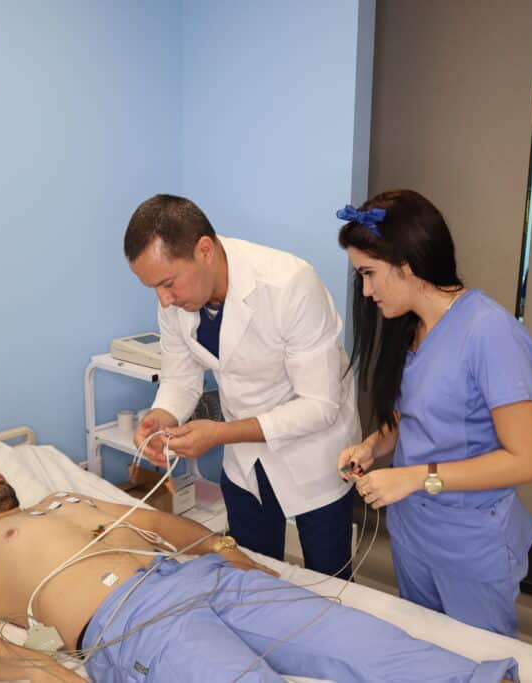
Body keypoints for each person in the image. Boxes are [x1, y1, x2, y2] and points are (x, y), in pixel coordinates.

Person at [0, 443, 521, 682]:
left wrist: (224, 549)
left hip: (205, 578)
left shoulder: (64, 499)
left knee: (362, 640)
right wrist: (41, 674)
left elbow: (154, 523)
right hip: (131, 622)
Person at [335, 189, 532, 637]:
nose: (367, 292)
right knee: (429, 649)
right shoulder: (408, 327)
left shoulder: (488, 332)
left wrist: (413, 477)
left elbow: (526, 460)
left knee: (479, 661)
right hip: (414, 530)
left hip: (470, 540)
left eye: (370, 275)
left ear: (406, 265)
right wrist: (373, 446)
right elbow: (408, 417)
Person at [123, 194, 359, 578]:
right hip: (244, 459)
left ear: (204, 251)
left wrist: (219, 434)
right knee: (250, 571)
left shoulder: (290, 284)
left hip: (313, 451)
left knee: (330, 580)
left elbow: (319, 405)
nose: (163, 301)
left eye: (167, 284)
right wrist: (161, 416)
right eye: (154, 288)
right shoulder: (175, 301)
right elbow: (181, 377)